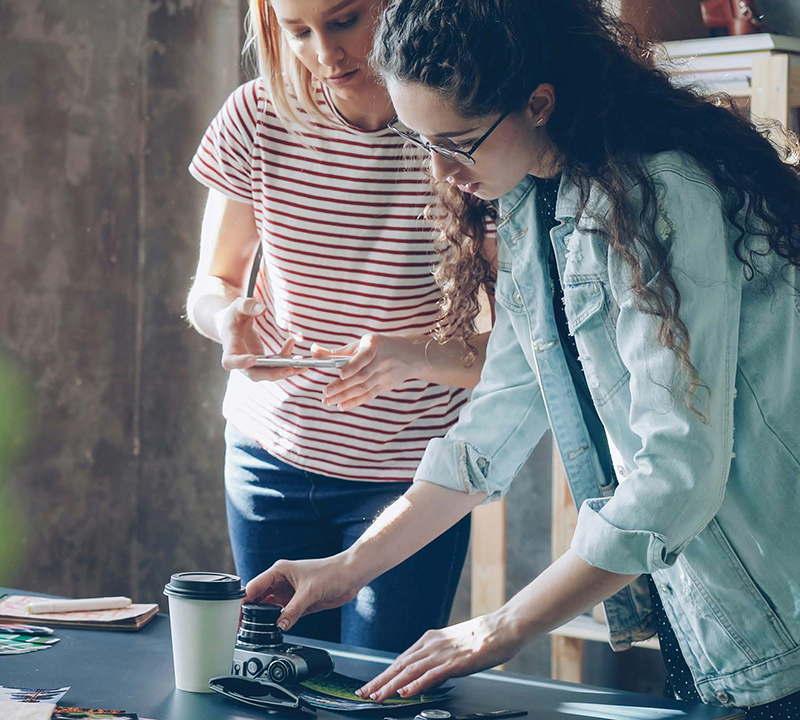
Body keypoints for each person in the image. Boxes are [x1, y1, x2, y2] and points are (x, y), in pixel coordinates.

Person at [243, 0, 800, 715]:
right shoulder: (535, 195)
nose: (442, 173)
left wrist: (499, 627)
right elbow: (491, 428)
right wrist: (350, 568)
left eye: (457, 143)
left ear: (538, 103)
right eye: (423, 144)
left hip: (778, 620)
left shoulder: (659, 193)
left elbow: (677, 475)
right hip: (720, 622)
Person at [185, 0, 496, 653]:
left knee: (371, 691)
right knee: (279, 680)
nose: (325, 54)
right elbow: (210, 284)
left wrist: (410, 354)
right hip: (265, 459)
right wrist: (226, 320)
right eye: (298, 31)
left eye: (345, 20)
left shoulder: (465, 135)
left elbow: (522, 353)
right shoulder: (255, 116)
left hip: (409, 480)